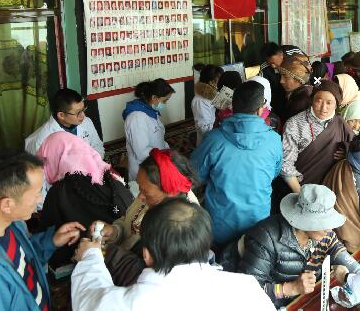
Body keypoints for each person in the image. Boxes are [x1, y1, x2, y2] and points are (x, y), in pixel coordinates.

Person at [70, 198, 274, 310]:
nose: (140, 196)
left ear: (146, 254)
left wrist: (91, 257)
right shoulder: (246, 288)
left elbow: (88, 299)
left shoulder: (131, 304)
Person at [0, 151, 84, 311]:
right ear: (7, 205)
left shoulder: (10, 224)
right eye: (37, 193)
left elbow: (22, 262)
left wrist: (51, 241)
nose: (40, 199)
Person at [238, 185, 360, 307]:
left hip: (307, 299)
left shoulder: (324, 234)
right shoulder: (266, 239)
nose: (329, 229)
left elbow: (339, 252)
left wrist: (358, 275)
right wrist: (291, 288)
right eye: (323, 223)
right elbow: (248, 292)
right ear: (306, 222)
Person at [191, 81, 282, 247]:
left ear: (232, 106)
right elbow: (274, 173)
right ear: (260, 109)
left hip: (220, 224)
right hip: (258, 224)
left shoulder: (213, 139)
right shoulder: (274, 140)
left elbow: (194, 175)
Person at [89, 149, 198, 286]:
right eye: (140, 188)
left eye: (146, 192)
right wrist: (114, 231)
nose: (140, 196)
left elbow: (155, 278)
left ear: (170, 193)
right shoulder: (150, 196)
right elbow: (128, 220)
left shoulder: (184, 224)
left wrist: (111, 254)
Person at [38, 132, 133, 268]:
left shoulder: (59, 192)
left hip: (85, 267)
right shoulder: (112, 176)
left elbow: (47, 241)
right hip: (126, 260)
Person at [279, 80, 352, 196]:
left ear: (337, 104)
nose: (323, 108)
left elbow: (356, 150)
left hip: (330, 191)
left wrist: (346, 153)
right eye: (319, 101)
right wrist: (302, 195)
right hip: (298, 189)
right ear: (312, 100)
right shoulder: (294, 124)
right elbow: (285, 164)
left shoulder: (341, 124)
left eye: (329, 103)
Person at [25, 88, 104, 158]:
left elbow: (97, 146)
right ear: (61, 115)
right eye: (78, 112)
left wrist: (93, 163)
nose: (83, 115)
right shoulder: (41, 139)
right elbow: (40, 168)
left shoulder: (86, 122)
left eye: (83, 109)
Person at [123, 79, 174, 180]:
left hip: (157, 163)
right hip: (144, 170)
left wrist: (168, 153)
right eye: (165, 101)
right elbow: (142, 153)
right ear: (154, 98)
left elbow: (159, 139)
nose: (165, 104)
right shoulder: (137, 118)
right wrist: (163, 159)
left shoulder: (151, 112)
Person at [260, 43, 306, 119]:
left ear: (281, 54)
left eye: (274, 63)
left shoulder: (294, 52)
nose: (273, 66)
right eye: (269, 64)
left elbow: (307, 68)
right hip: (278, 95)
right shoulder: (265, 69)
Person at [191, 64, 224, 145]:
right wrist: (222, 125)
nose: (222, 84)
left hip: (216, 135)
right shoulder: (199, 101)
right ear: (211, 82)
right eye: (220, 81)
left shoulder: (214, 94)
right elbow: (203, 129)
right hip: (208, 141)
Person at [279, 55, 313, 122]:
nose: (281, 81)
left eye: (285, 77)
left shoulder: (300, 102)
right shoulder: (306, 90)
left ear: (298, 79)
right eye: (281, 76)